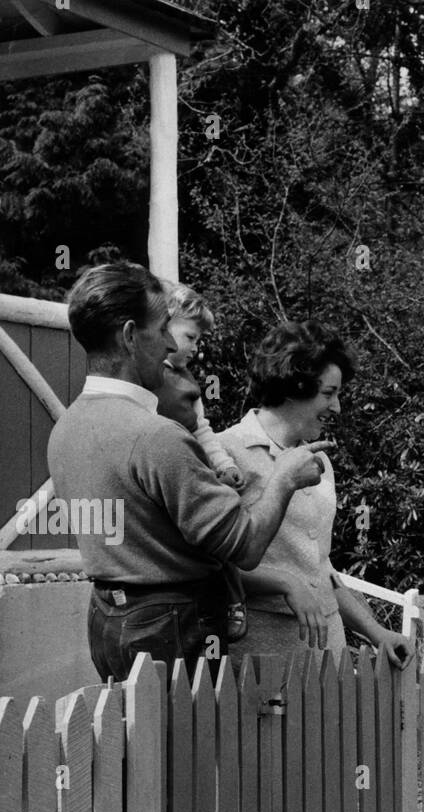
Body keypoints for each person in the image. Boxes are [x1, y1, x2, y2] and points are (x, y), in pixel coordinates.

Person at [47, 261, 328, 684]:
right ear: (128, 336)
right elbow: (245, 545)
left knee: (137, 743)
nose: (167, 346)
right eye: (161, 329)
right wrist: (285, 477)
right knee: (191, 747)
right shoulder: (156, 437)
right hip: (172, 627)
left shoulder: (65, 429)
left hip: (108, 620)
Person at [216, 320, 412, 669]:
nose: (336, 407)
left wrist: (374, 631)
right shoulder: (224, 452)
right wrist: (282, 583)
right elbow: (210, 567)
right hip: (259, 654)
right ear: (294, 386)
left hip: (327, 653)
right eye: (328, 393)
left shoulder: (319, 460)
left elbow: (320, 568)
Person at [164, 280, 250, 641]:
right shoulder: (144, 378)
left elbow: (202, 429)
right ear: (163, 325)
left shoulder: (186, 383)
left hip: (192, 469)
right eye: (190, 337)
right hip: (163, 473)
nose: (195, 349)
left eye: (199, 340)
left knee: (222, 521)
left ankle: (232, 600)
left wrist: (223, 464)